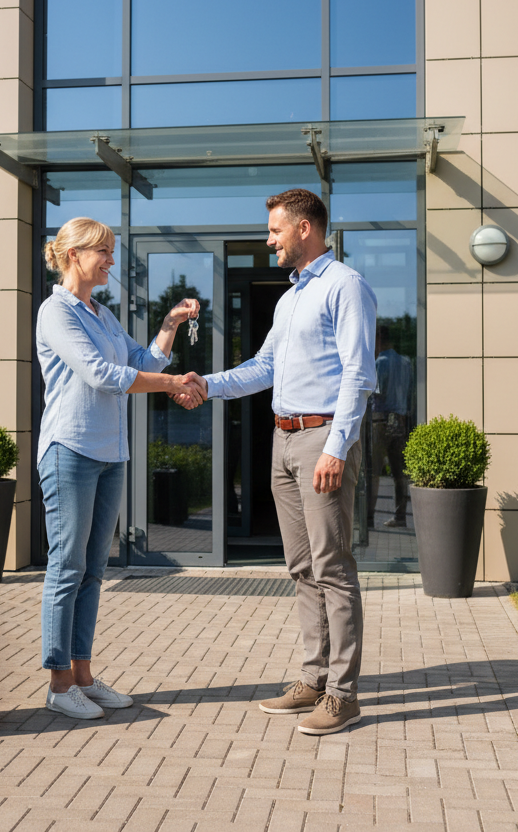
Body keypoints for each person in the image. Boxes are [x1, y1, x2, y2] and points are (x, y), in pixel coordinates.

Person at [173, 189, 376, 736]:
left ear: (305, 228)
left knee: (332, 568)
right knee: (302, 568)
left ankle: (343, 694)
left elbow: (359, 375)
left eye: (275, 230)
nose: (269, 240)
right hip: (282, 441)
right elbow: (261, 368)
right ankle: (313, 678)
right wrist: (205, 385)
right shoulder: (290, 301)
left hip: (320, 440)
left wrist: (337, 447)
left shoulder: (345, 286)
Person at [36, 217, 206, 720]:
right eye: (103, 252)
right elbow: (104, 375)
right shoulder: (56, 312)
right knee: (66, 568)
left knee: (93, 570)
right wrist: (173, 383)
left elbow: (141, 356)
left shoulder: (102, 314)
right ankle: (58, 682)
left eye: (111, 252)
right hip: (69, 449)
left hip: (110, 453)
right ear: (74, 256)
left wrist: (171, 323)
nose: (111, 260)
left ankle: (83, 676)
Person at [368, 325, 413, 529]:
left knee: (374, 471)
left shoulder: (380, 362)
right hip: (400, 421)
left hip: (381, 420)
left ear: (379, 339)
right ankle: (400, 516)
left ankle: (368, 518)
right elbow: (411, 394)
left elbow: (377, 393)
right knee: (399, 473)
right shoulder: (406, 362)